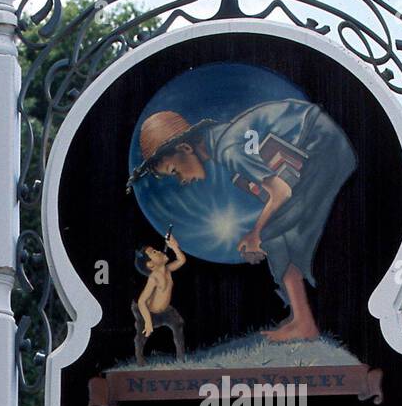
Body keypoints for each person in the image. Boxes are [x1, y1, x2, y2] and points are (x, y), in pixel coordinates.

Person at [127, 99, 356, 342]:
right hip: (316, 147)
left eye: (174, 171)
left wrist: (255, 235)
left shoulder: (229, 147)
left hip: (324, 144)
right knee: (276, 234)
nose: (181, 180)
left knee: (273, 234)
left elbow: (281, 192)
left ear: (185, 148)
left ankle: (307, 320)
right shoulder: (226, 144)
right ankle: (302, 319)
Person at [132, 234, 186, 363]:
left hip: (166, 311)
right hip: (148, 313)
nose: (160, 251)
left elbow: (181, 260)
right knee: (142, 334)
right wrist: (148, 322)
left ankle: (181, 358)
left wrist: (174, 247)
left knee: (178, 325)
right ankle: (139, 358)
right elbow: (141, 301)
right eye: (154, 252)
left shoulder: (167, 270)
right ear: (151, 265)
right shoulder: (154, 278)